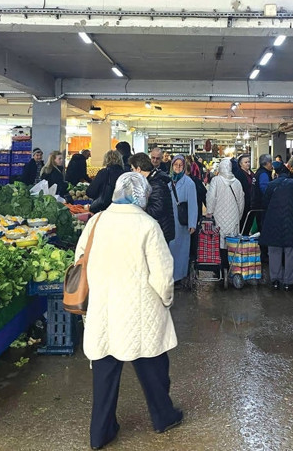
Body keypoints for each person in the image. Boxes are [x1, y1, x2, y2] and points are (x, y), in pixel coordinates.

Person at [76, 172, 182, 449]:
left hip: (103, 309)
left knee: (105, 373)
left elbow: (79, 259)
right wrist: (166, 300)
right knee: (153, 367)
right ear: (142, 195)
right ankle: (163, 416)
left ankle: (100, 432)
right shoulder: (147, 225)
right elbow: (162, 274)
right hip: (141, 311)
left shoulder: (96, 222)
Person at [260, 162, 293, 291]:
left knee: (274, 251)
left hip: (273, 221)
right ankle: (288, 282)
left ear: (276, 173)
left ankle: (275, 280)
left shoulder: (271, 185)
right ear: (289, 173)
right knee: (290, 252)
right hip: (291, 221)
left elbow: (264, 203)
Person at [206, 158, 245, 268]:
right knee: (232, 242)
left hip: (219, 216)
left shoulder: (216, 181)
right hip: (234, 217)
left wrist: (209, 212)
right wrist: (239, 216)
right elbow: (241, 201)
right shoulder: (237, 182)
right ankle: (232, 267)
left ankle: (221, 267)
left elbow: (211, 197)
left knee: (220, 241)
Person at [129, 152, 175, 243]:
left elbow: (157, 209)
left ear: (138, 169)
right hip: (158, 229)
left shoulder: (155, 183)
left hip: (159, 231)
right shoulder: (152, 180)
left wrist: (137, 210)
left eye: (132, 169)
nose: (132, 172)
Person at [168, 155, 198, 283]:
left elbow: (193, 204)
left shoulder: (189, 183)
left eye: (181, 165)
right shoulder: (169, 181)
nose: (178, 167)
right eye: (176, 165)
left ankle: (179, 276)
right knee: (170, 249)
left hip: (182, 222)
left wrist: (192, 223)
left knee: (181, 251)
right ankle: (170, 276)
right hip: (170, 220)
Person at [87, 150, 126, 214]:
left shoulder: (103, 172)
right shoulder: (125, 174)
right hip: (122, 210)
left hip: (104, 209)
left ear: (106, 160)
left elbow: (90, 192)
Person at [233, 154, 257, 230]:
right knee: (243, 223)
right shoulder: (238, 174)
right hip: (243, 202)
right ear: (240, 164)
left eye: (249, 162)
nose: (248, 164)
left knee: (249, 222)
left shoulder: (252, 173)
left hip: (252, 201)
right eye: (245, 162)